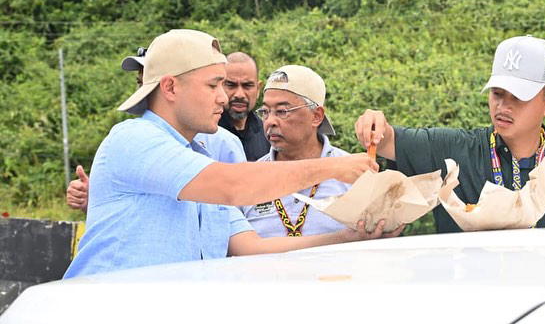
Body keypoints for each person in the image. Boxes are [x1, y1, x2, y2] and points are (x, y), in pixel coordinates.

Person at [65, 29, 387, 278]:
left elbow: (251, 248)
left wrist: (346, 237)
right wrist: (331, 168)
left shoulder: (203, 160)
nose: (225, 98)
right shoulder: (134, 139)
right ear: (170, 88)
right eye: (213, 85)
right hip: (105, 323)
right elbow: (234, 186)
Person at [355, 35, 545, 233]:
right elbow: (389, 140)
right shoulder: (453, 151)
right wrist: (375, 125)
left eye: (519, 97)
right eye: (497, 93)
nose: (503, 107)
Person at [66, 49, 247, 212]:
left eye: (151, 79)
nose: (146, 88)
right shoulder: (133, 137)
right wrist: (99, 196)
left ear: (168, 85)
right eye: (141, 81)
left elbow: (237, 204)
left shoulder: (221, 142)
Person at [242, 65, 366, 237]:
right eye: (265, 112)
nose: (270, 121)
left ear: (316, 116)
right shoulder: (249, 179)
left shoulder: (354, 175)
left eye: (282, 111)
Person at [218, 52, 270, 161]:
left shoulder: (268, 134)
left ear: (258, 89)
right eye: (231, 85)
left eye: (247, 86)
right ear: (219, 85)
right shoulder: (205, 132)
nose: (239, 94)